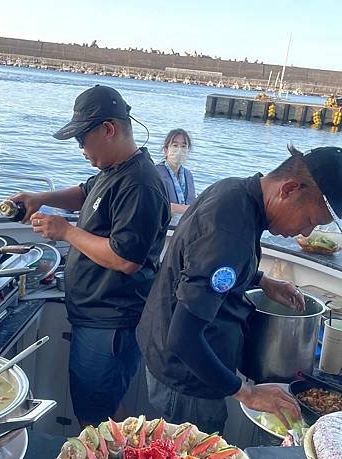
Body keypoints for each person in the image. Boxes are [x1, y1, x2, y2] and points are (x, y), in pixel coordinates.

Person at [137, 145, 342, 434]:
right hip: (188, 379)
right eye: (309, 221)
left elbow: (206, 268)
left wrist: (262, 281)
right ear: (290, 189)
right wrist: (248, 393)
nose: (306, 233)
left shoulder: (235, 192)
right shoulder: (229, 230)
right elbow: (183, 338)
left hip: (181, 363)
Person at [8, 85, 170, 427]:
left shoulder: (139, 183)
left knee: (98, 417)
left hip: (111, 323)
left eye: (82, 138)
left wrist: (65, 232)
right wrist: (42, 197)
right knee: (102, 410)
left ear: (108, 129)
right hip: (95, 317)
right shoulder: (116, 169)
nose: (80, 148)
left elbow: (126, 259)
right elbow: (86, 193)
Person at [156, 128, 196, 215]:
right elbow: (154, 204)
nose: (179, 150)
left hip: (184, 224)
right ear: (166, 150)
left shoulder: (188, 175)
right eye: (175, 145)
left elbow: (192, 202)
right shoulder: (156, 173)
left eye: (184, 146)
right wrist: (188, 210)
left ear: (188, 150)